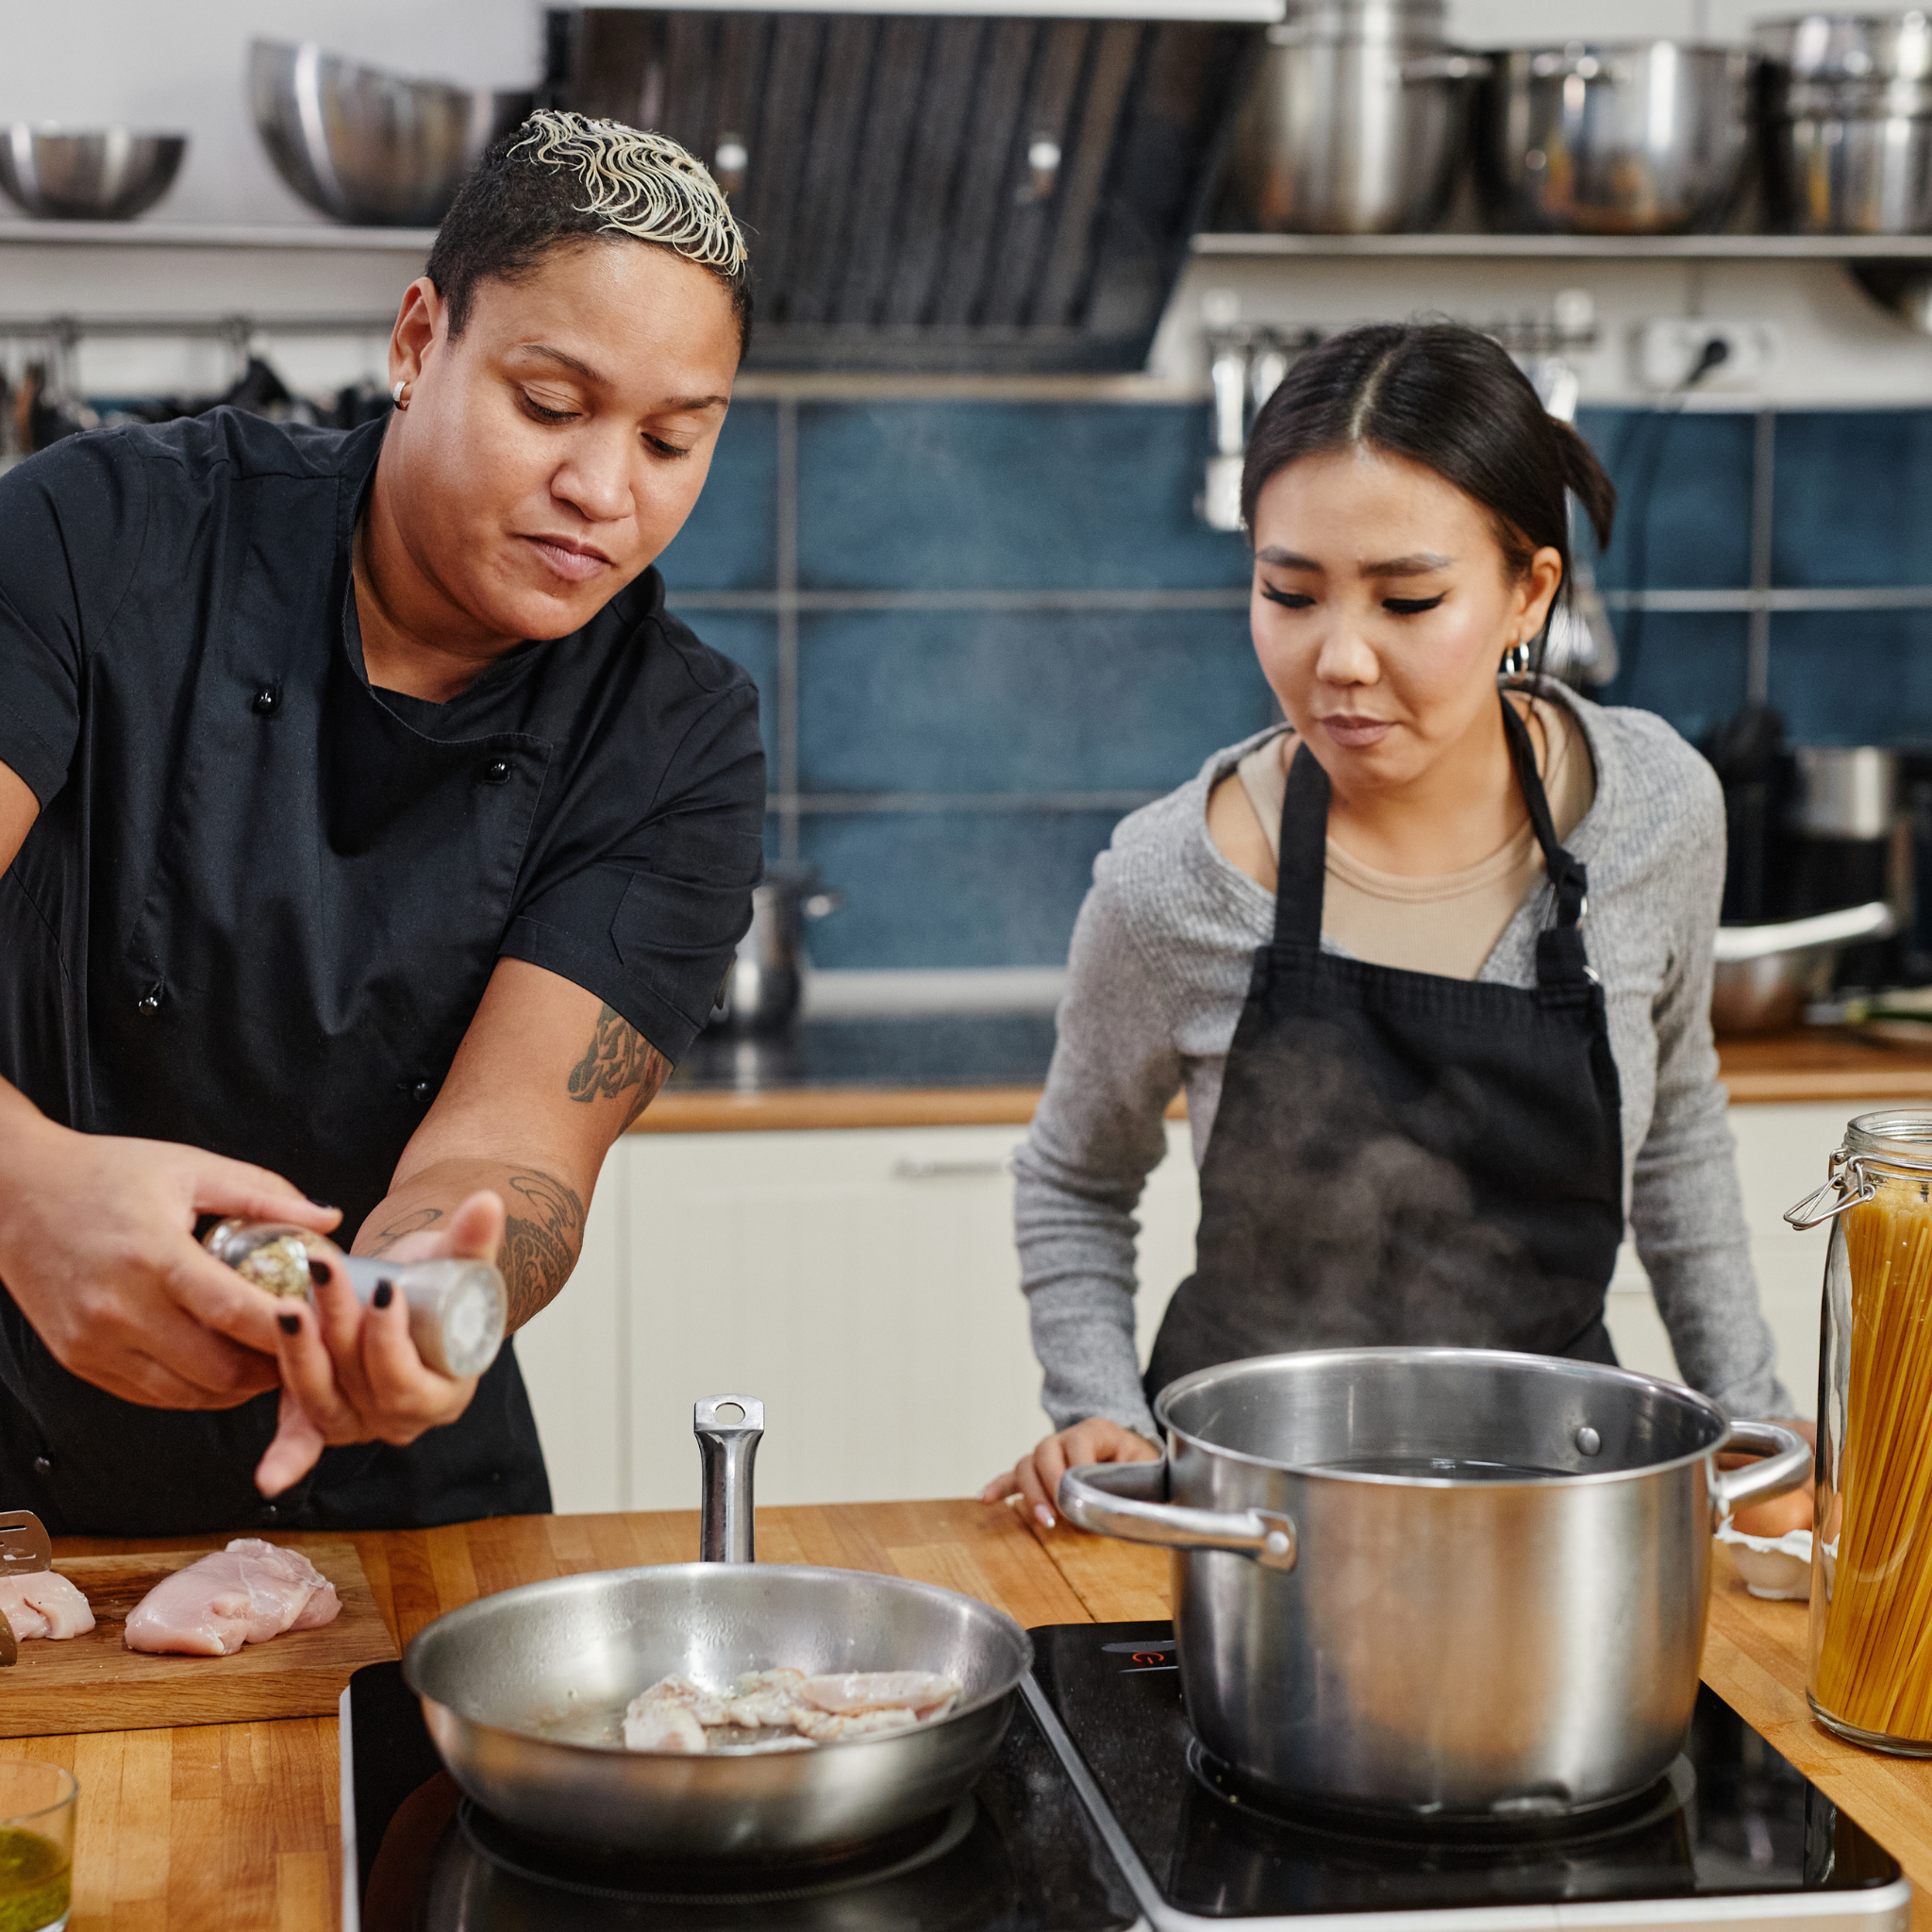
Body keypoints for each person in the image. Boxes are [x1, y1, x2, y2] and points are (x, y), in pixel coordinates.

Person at [0, 112, 764, 1534]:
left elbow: (514, 1148)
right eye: (550, 406)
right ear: (419, 341)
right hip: (20, 1469)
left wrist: (425, 1301)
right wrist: (20, 1188)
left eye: (671, 440)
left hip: (397, 1514)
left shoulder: (674, 738)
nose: (604, 492)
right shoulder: (100, 537)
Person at [983, 322, 1812, 1536]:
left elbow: (1674, 1121)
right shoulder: (1178, 878)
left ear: (1528, 590)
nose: (1340, 660)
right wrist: (1098, 1409)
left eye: (1408, 597)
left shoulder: (1655, 812)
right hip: (1244, 1505)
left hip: (1565, 1499)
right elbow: (1071, 1175)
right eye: (1288, 592)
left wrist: (1753, 1422)